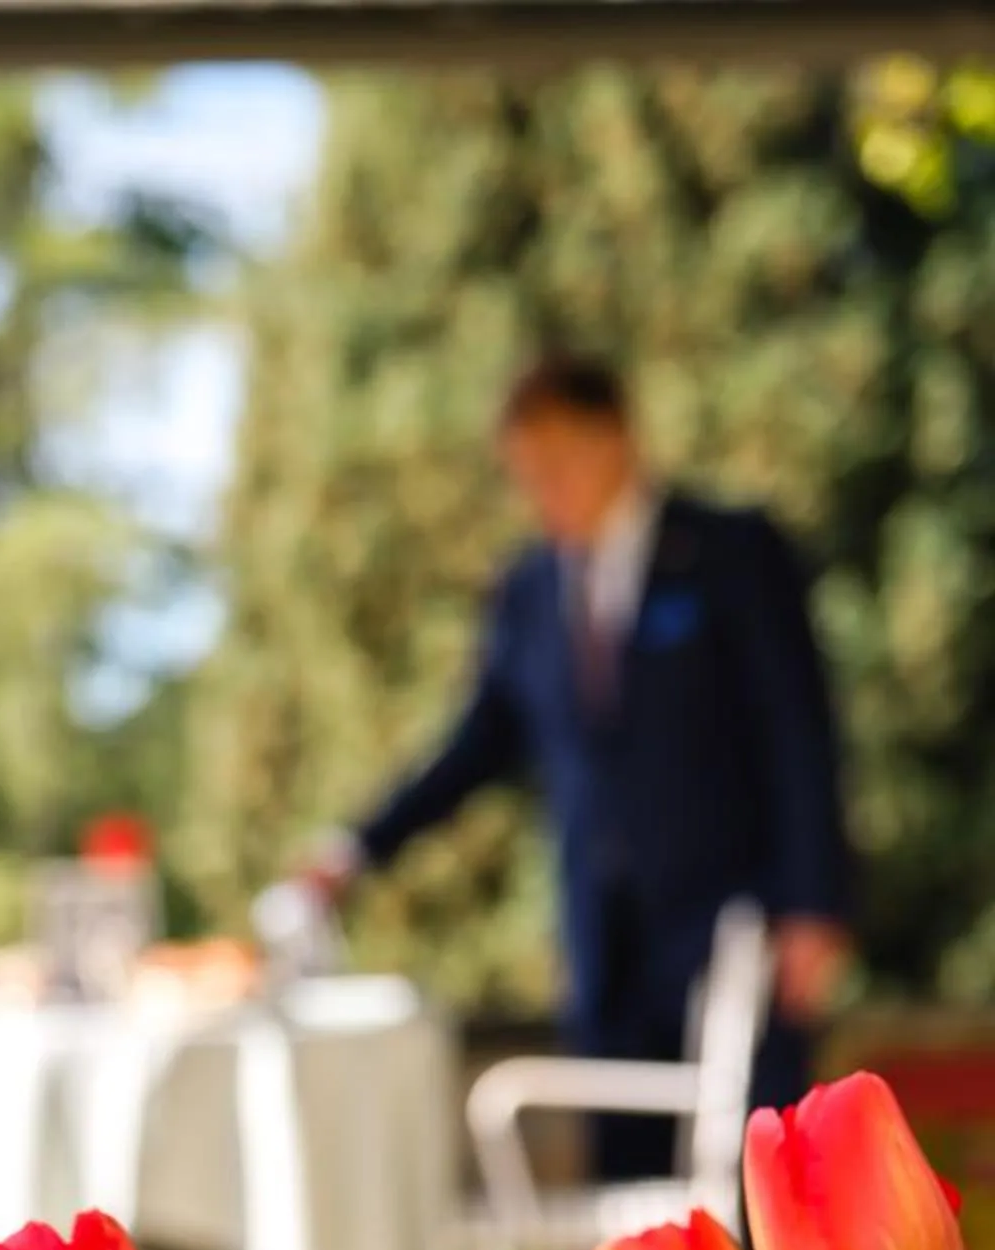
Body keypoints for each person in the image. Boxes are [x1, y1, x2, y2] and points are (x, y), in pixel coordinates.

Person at [309, 354, 853, 1188]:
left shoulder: (731, 553)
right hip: (604, 940)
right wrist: (355, 848)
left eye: (559, 463)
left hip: (732, 922)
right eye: (526, 473)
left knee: (759, 1175)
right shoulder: (528, 591)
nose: (543, 490)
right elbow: (477, 743)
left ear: (618, 437)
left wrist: (814, 904)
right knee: (630, 1185)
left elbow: (798, 731)